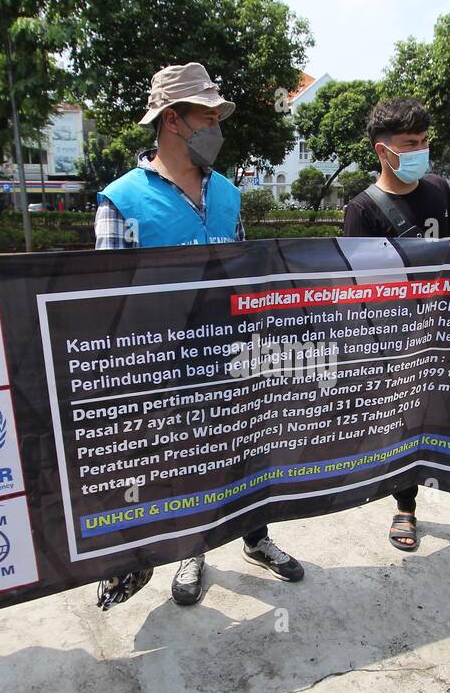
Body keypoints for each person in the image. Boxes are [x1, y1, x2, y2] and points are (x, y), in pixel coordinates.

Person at [94, 62, 304, 606]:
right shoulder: (121, 200)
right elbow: (107, 299)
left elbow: (244, 273)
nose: (216, 127)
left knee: (249, 450)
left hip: (235, 355)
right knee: (190, 458)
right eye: (205, 117)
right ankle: (194, 547)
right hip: (167, 365)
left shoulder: (229, 194)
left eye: (216, 117)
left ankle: (256, 537)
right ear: (171, 121)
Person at [342, 98, 450, 559]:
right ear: (384, 151)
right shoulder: (362, 211)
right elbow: (364, 292)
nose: (421, 151)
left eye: (424, 142)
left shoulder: (438, 188)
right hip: (400, 341)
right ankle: (404, 508)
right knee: (407, 425)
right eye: (410, 144)